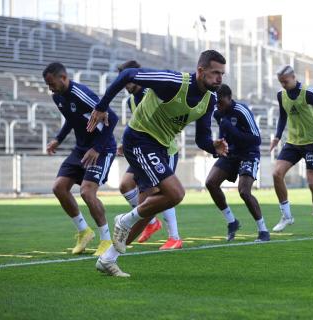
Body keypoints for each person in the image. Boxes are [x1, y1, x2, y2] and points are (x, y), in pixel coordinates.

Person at [89, 50, 228, 277]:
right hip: (140, 139)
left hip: (161, 147)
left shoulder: (210, 99)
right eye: (215, 73)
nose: (220, 79)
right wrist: (102, 106)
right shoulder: (174, 83)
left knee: (147, 207)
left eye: (222, 74)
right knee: (175, 194)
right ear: (200, 71)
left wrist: (213, 147)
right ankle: (124, 220)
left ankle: (108, 259)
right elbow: (129, 75)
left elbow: (201, 137)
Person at [43, 62, 118, 256]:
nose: (50, 88)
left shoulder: (81, 93)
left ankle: (106, 240)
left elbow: (113, 118)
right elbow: (71, 118)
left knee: (87, 192)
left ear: (64, 78)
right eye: (47, 84)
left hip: (102, 149)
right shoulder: (57, 96)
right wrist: (58, 140)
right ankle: (84, 231)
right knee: (59, 187)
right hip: (80, 149)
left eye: (52, 83)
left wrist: (96, 148)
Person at [116, 60, 183, 250]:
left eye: (129, 80)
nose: (127, 86)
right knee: (125, 184)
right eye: (124, 82)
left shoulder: (152, 92)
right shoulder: (130, 100)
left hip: (164, 149)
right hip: (143, 149)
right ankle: (151, 221)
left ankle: (174, 237)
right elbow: (140, 123)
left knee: (165, 191)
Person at [269, 65, 313, 237]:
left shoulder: (309, 93)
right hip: (293, 142)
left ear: (294, 77)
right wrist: (277, 136)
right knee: (276, 174)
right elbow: (283, 116)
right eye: (280, 82)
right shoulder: (281, 95)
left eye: (285, 81)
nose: (283, 85)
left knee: (312, 183)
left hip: (312, 143)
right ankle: (287, 216)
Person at [205, 84, 270, 242]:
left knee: (244, 192)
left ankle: (263, 231)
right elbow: (223, 135)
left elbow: (256, 139)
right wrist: (219, 147)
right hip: (231, 153)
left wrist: (232, 130)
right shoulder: (217, 113)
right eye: (216, 103)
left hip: (249, 153)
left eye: (220, 102)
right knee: (211, 183)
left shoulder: (241, 110)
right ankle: (232, 222)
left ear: (229, 98)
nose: (218, 106)